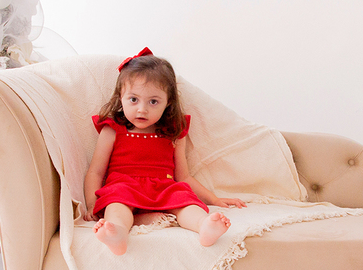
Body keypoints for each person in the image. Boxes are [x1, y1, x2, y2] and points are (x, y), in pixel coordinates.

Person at [83, 48, 246, 255]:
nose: (142, 109)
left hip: (164, 187)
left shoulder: (173, 132)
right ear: (120, 97)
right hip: (124, 186)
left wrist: (214, 200)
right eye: (133, 99)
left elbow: (183, 176)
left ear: (168, 102)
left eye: (153, 102)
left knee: (185, 202)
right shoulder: (112, 129)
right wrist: (91, 204)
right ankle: (118, 234)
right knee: (117, 205)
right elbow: (95, 171)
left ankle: (204, 226)